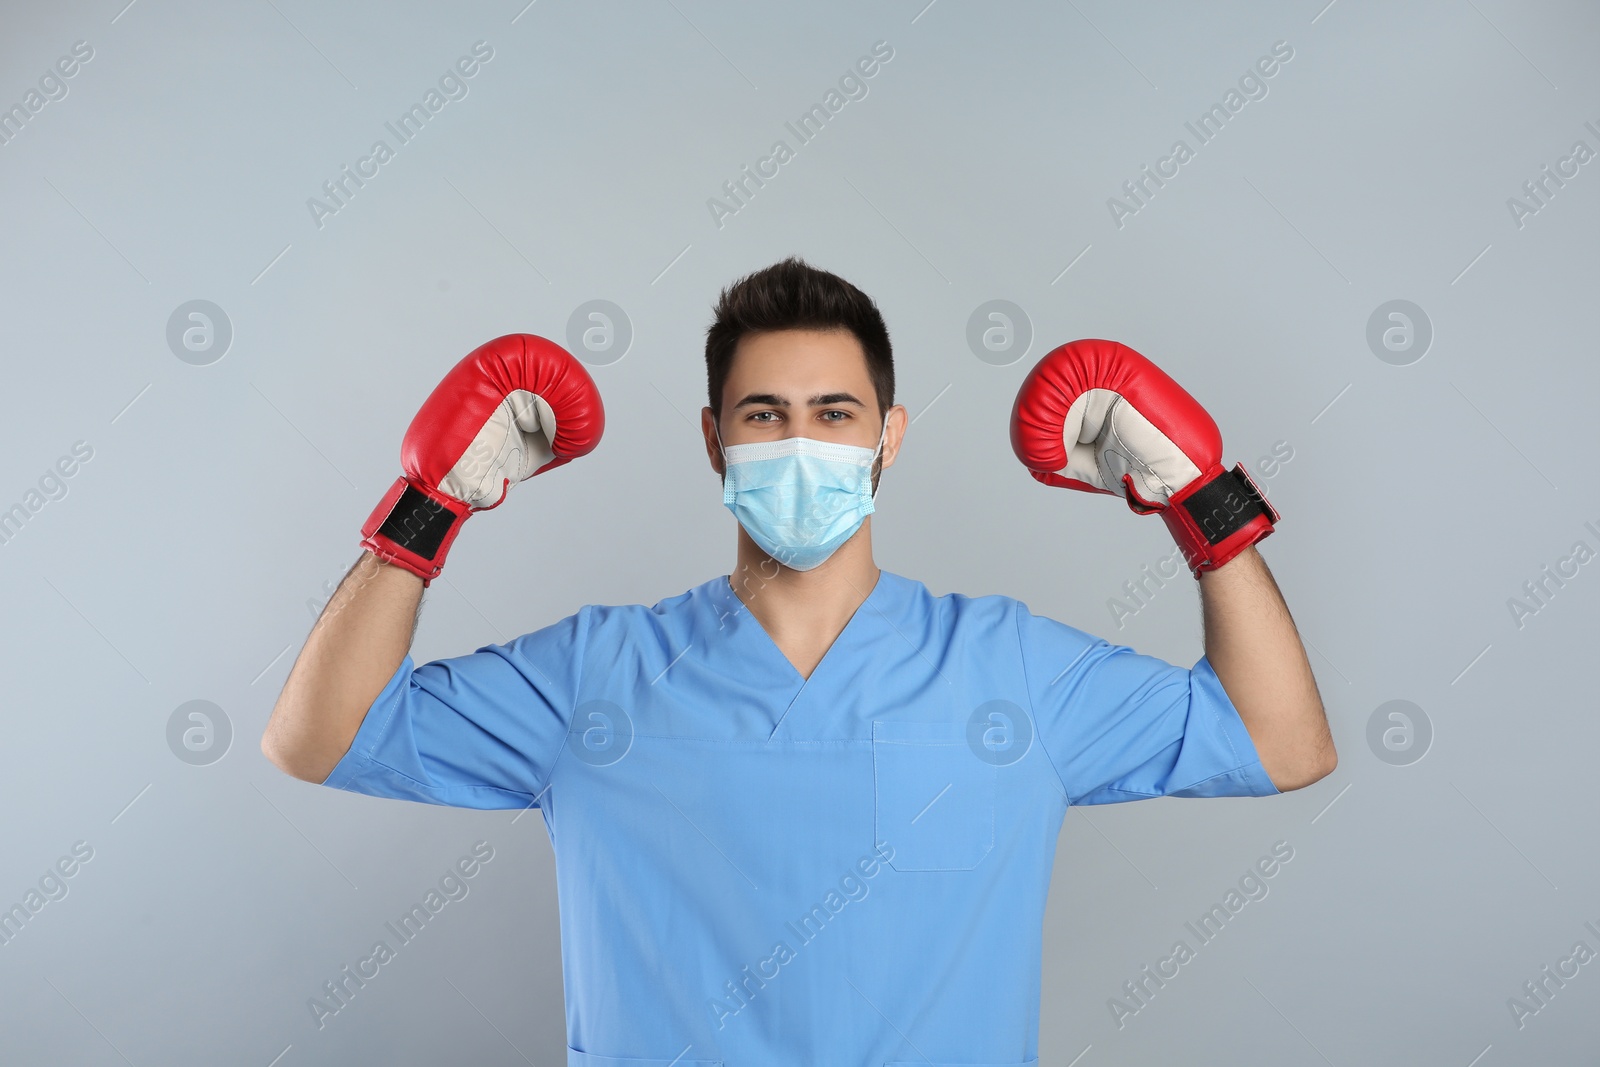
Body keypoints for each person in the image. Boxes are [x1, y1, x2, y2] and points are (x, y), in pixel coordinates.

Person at [260, 256, 1336, 1066]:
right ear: (713, 439)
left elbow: (1280, 740)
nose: (800, 441)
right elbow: (317, 735)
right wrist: (428, 505)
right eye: (763, 415)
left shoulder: (1008, 668)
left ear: (889, 437)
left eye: (834, 414)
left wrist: (1207, 502)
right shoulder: (597, 675)